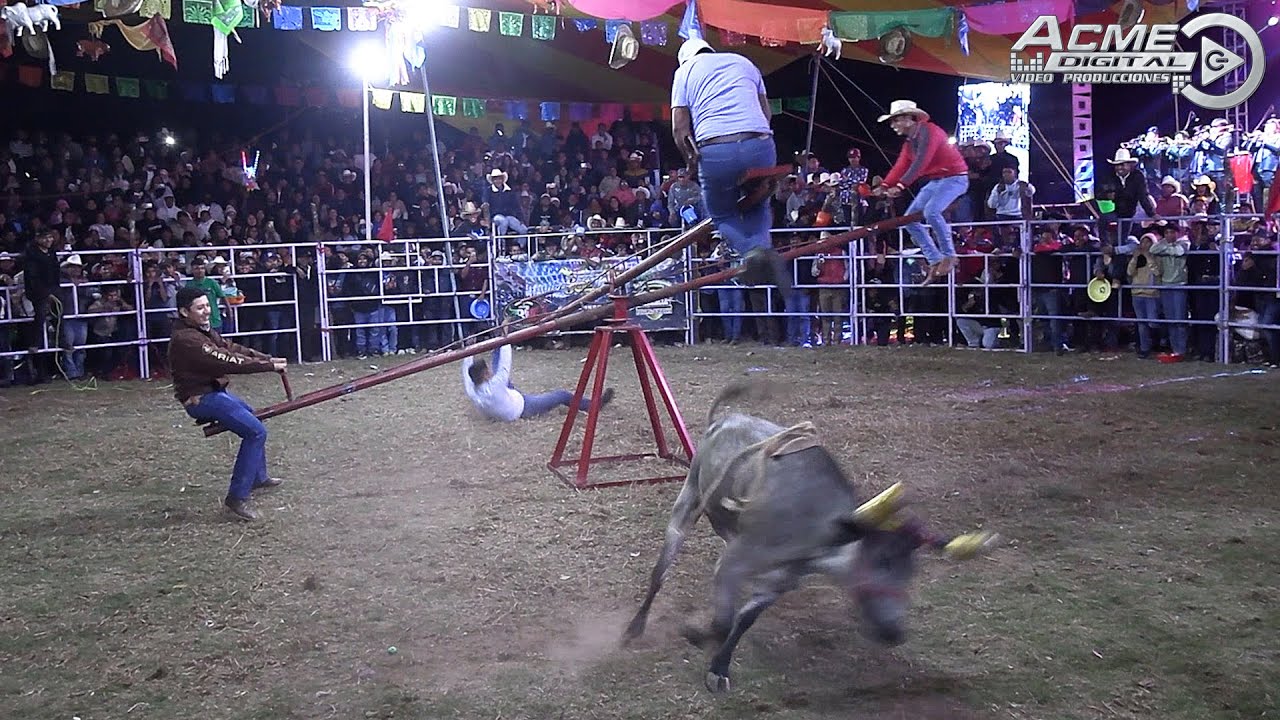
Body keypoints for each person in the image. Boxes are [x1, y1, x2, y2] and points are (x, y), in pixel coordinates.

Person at [670, 37, 793, 302]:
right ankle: (763, 247)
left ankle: (751, 252)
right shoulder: (744, 62)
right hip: (760, 143)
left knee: (722, 213)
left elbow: (680, 128)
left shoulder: (685, 71)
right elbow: (766, 113)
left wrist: (691, 162)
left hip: (716, 149)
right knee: (759, 200)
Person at [169, 286, 287, 521]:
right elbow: (227, 360)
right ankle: (237, 497)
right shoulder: (187, 339)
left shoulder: (201, 331)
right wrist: (267, 366)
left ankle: (258, 477)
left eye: (207, 305)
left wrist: (265, 358)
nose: (206, 311)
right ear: (184, 311)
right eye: (200, 307)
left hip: (213, 392)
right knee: (255, 432)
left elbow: (230, 348)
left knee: (254, 418)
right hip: (201, 398)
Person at [872, 99, 970, 285]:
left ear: (909, 118)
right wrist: (885, 185)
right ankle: (934, 258)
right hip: (937, 180)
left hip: (955, 178)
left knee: (931, 212)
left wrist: (900, 186)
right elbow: (901, 165)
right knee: (909, 219)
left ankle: (949, 256)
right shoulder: (910, 143)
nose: (893, 125)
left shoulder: (930, 132)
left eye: (895, 120)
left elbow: (921, 162)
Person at [462, 344, 614, 422]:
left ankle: (497, 344)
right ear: (484, 375)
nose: (490, 372)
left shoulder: (472, 390)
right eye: (487, 371)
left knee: (497, 359)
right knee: (561, 395)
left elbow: (465, 372)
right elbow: (504, 365)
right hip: (522, 408)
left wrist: (469, 349)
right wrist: (505, 340)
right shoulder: (496, 384)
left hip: (505, 401)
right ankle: (593, 406)